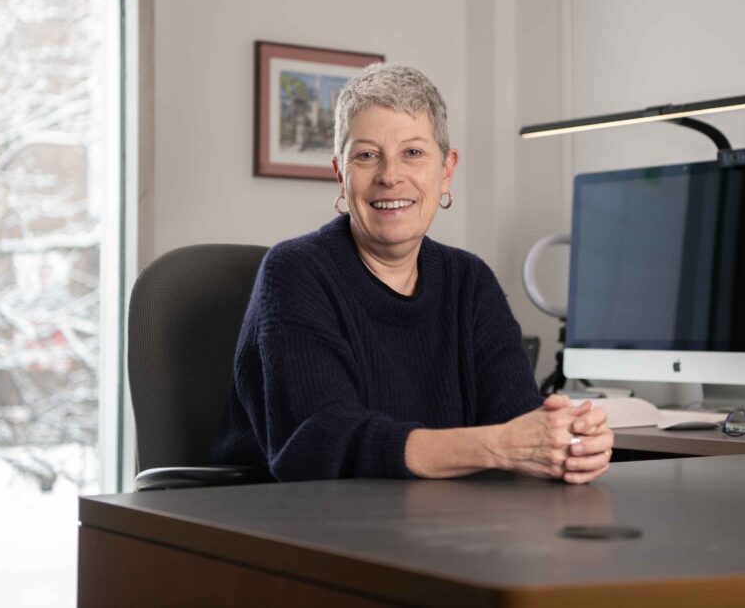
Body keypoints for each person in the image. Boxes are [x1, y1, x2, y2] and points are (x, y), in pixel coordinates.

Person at [212, 63, 613, 484]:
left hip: (441, 527)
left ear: (447, 171)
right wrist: (499, 447)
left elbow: (517, 424)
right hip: (293, 529)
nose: (390, 176)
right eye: (366, 155)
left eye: (413, 153)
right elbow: (320, 447)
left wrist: (570, 443)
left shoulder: (470, 282)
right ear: (339, 175)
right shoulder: (295, 272)